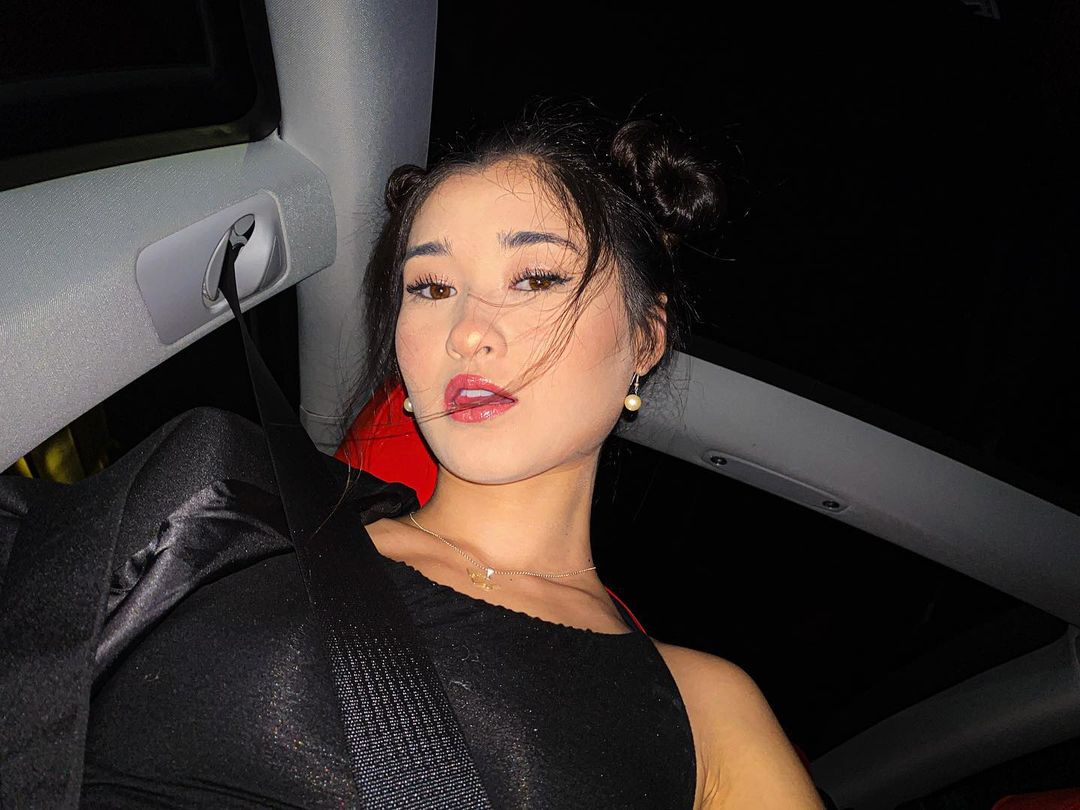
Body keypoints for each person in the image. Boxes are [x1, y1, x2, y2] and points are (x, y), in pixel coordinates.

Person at [67, 104, 824, 808]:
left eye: (535, 278)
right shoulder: (229, 513)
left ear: (646, 339)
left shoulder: (707, 709)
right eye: (430, 287)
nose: (467, 330)